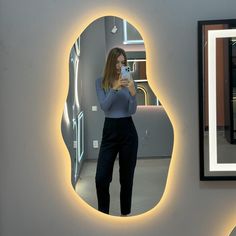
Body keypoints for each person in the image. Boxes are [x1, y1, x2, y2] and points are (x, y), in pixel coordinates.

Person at [95, 47, 139, 216]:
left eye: (123, 62)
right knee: (101, 178)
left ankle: (125, 214)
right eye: (117, 62)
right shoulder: (100, 82)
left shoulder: (129, 82)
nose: (120, 66)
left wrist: (134, 94)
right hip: (110, 131)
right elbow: (104, 106)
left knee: (126, 178)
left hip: (128, 130)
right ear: (110, 63)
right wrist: (114, 88)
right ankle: (103, 215)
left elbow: (131, 110)